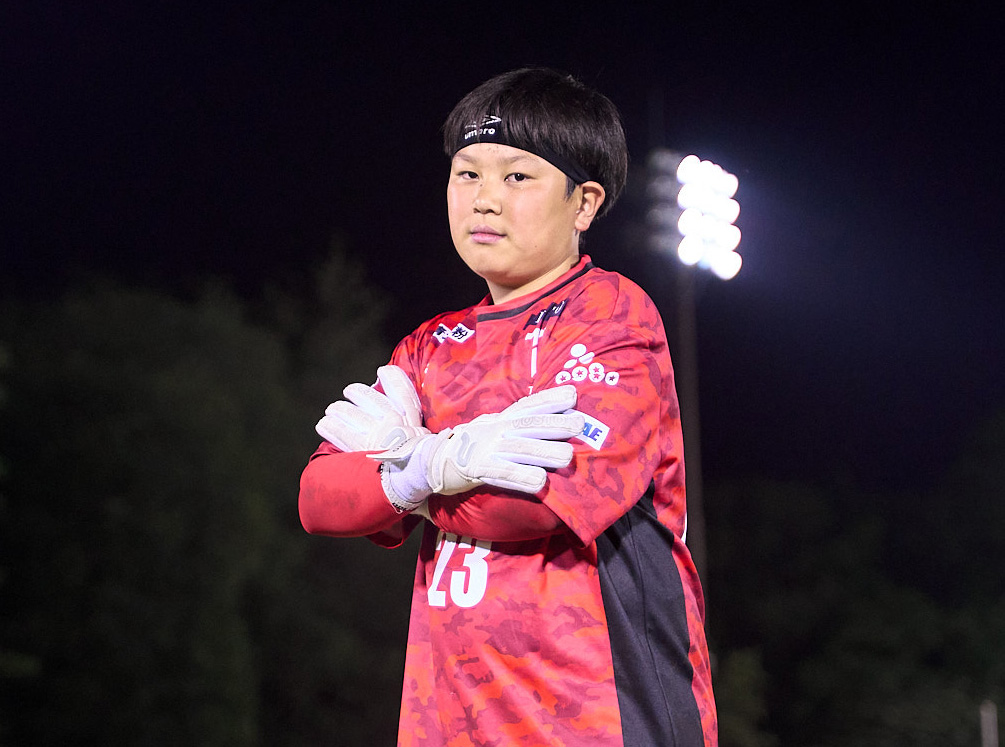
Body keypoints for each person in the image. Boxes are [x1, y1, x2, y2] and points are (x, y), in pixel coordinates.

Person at [299, 67, 717, 746]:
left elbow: (536, 503)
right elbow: (319, 499)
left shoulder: (611, 316)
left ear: (583, 204)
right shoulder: (429, 346)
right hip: (447, 726)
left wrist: (405, 473)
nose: (484, 200)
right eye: (467, 175)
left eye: (517, 177)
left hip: (598, 723)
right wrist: (432, 466)